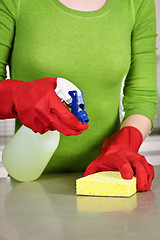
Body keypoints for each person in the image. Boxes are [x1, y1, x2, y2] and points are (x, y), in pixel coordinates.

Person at [0, 0, 158, 191]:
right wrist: (17, 96)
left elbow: (142, 97)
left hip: (106, 180)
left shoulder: (136, 3)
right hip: (29, 184)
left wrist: (124, 144)